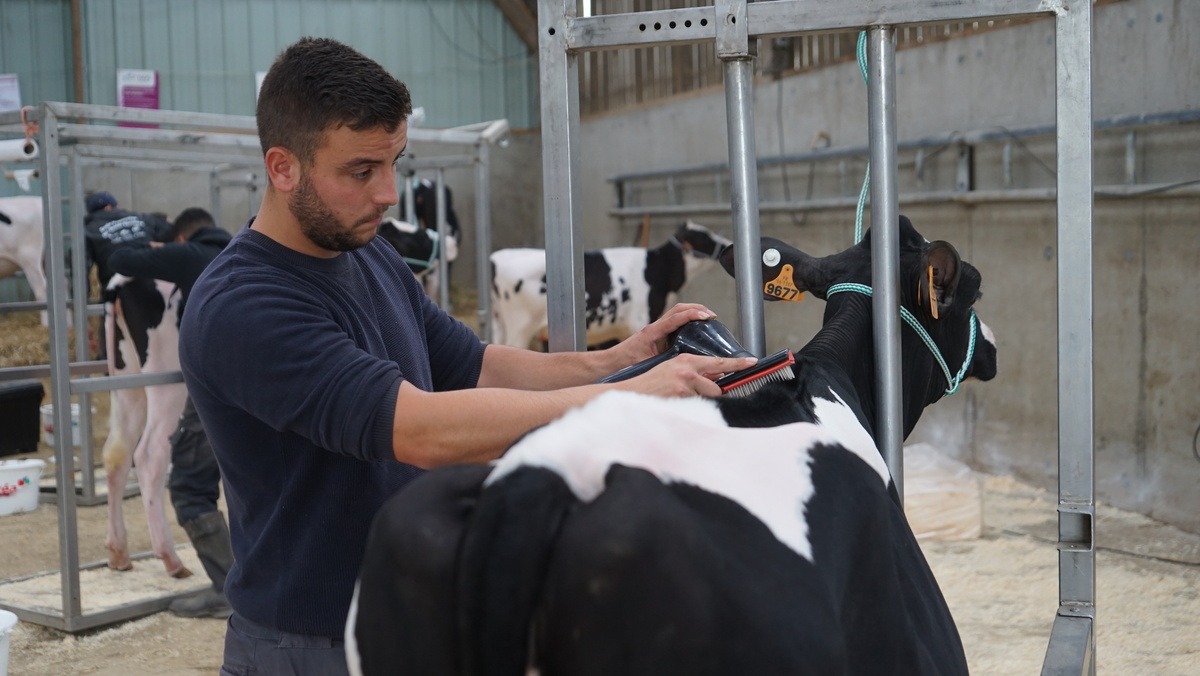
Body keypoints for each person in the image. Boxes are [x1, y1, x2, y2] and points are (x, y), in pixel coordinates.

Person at [178, 37, 755, 675]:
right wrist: (623, 398)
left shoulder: (368, 254)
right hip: (308, 644)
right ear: (282, 169)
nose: (389, 194)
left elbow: (478, 365)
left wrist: (622, 359)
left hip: (403, 612)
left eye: (396, 162)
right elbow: (419, 430)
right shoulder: (243, 306)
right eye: (361, 171)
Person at [106, 207, 234, 619]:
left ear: (182, 239)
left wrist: (153, 248)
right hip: (265, 382)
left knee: (191, 486)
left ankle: (231, 591)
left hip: (218, 385)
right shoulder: (241, 250)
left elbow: (120, 260)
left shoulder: (191, 255)